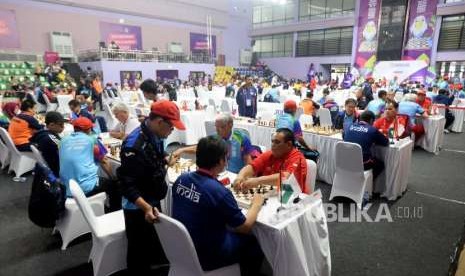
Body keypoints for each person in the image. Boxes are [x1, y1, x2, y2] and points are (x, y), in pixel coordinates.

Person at [172, 136, 264, 275]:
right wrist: (256, 204)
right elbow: (244, 227)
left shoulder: (181, 179)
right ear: (221, 161)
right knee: (255, 244)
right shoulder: (219, 191)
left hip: (181, 248)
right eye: (226, 158)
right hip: (207, 256)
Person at [117, 100, 185, 275]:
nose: (172, 131)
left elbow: (155, 151)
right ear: (160, 122)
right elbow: (126, 185)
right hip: (138, 206)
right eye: (171, 127)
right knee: (138, 251)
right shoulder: (134, 145)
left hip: (152, 195)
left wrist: (164, 159)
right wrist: (146, 207)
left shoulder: (154, 133)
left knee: (151, 242)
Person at [59, 117, 120, 209]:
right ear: (89, 130)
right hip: (85, 187)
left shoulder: (62, 141)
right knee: (114, 185)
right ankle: (115, 210)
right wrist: (113, 177)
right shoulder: (92, 140)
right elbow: (104, 161)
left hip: (65, 187)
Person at [174, 113, 256, 173]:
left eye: (221, 127)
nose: (217, 130)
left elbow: (248, 163)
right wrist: (182, 150)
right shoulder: (216, 136)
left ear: (230, 125)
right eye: (216, 127)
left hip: (235, 174)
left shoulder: (242, 138)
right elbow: (200, 148)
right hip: (218, 173)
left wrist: (244, 177)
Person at [234, 128, 309, 194]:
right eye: (272, 141)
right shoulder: (271, 153)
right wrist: (240, 177)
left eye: (277, 142)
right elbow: (252, 167)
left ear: (289, 144)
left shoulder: (297, 158)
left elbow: (287, 178)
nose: (273, 145)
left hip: (291, 197)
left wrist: (258, 180)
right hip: (271, 193)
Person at [343, 111, 389, 180]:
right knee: (380, 165)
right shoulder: (372, 130)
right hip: (362, 163)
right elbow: (386, 142)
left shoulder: (349, 126)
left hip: (346, 160)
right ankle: (367, 182)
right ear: (371, 120)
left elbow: (344, 137)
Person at [30, 111, 66, 176]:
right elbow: (65, 152)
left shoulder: (41, 133)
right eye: (61, 125)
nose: (63, 127)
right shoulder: (50, 139)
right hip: (59, 170)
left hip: (50, 166)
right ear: (51, 125)